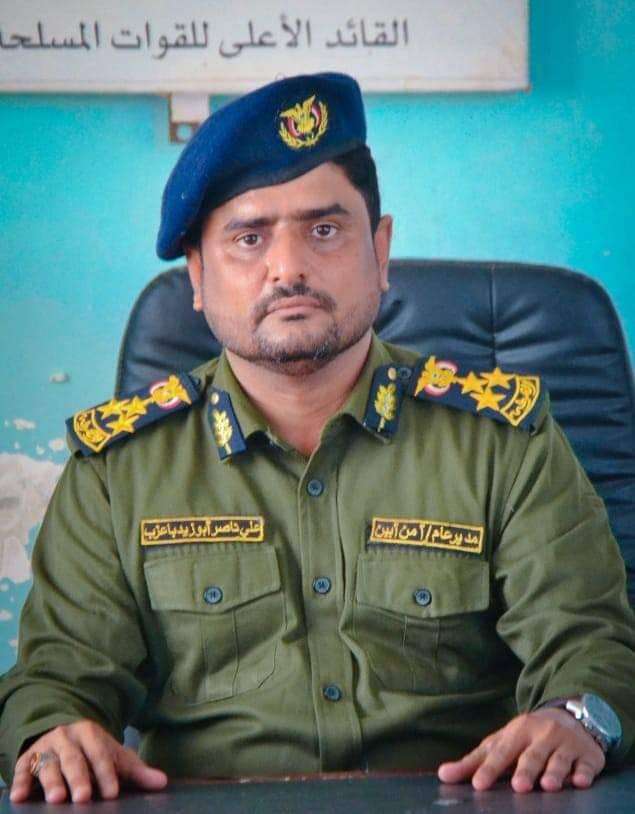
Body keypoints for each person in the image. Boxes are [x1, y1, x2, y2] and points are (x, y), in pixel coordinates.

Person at [1, 72, 634, 805]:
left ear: (380, 249)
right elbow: (55, 678)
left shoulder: (502, 444)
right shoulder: (118, 469)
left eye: (325, 230)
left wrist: (574, 717)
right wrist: (55, 732)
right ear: (197, 276)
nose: (289, 268)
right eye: (248, 239)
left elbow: (591, 647)